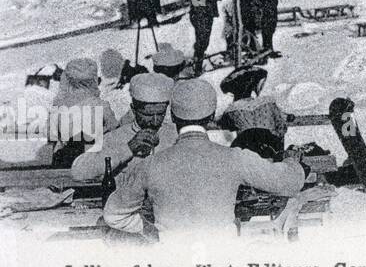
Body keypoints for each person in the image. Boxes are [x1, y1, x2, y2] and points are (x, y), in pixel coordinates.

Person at [102, 79, 307, 241]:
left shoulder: (150, 165)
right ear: (211, 118)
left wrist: (150, 230)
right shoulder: (234, 158)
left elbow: (113, 215)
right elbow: (290, 183)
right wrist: (291, 160)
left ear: (172, 117)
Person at [71, 73, 176, 182]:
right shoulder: (115, 137)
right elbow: (78, 172)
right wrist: (127, 149)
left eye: (160, 114)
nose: (155, 121)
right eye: (148, 115)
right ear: (133, 110)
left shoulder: (175, 135)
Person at [47, 58, 120, 168]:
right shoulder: (101, 105)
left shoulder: (58, 106)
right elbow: (115, 132)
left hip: (65, 162)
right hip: (94, 162)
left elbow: (51, 135)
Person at [219, 66, 289, 151]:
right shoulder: (267, 103)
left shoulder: (232, 109)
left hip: (245, 147)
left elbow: (225, 127)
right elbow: (281, 128)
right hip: (270, 145)